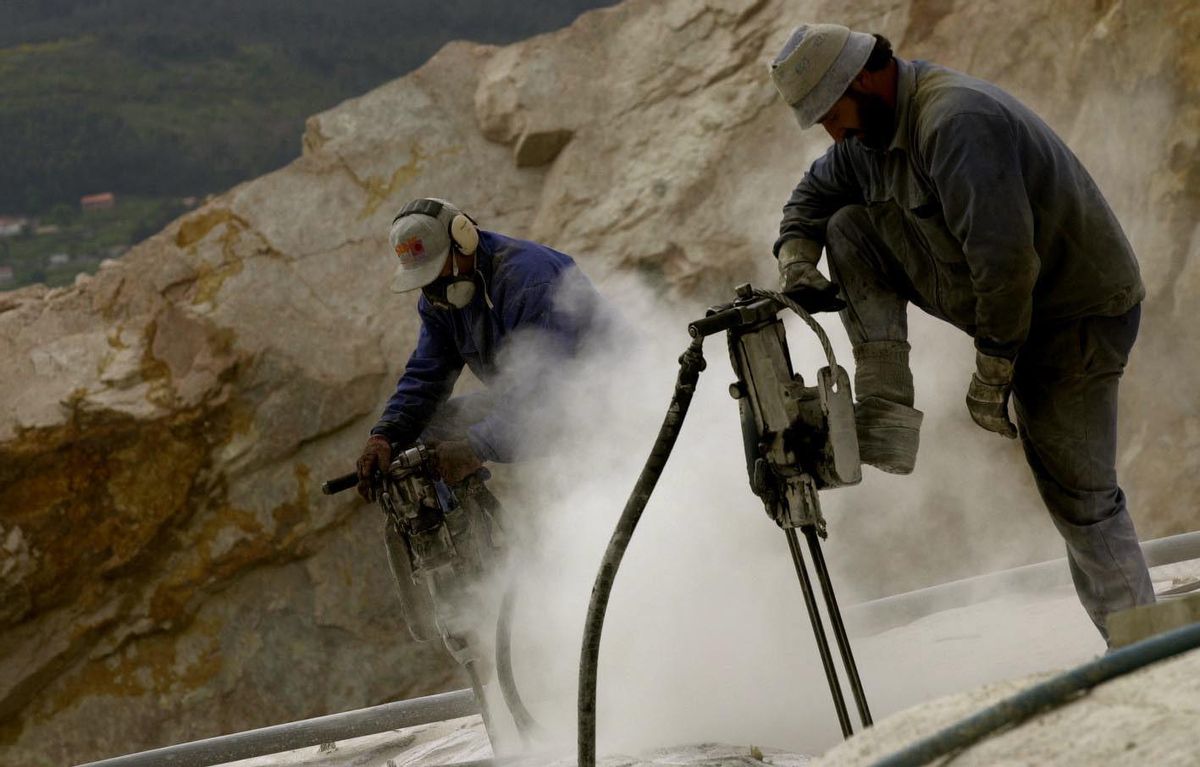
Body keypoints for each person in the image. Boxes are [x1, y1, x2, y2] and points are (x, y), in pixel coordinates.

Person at [766, 24, 1154, 641]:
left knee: (1080, 495)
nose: (833, 132)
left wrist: (994, 369)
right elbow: (811, 199)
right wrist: (795, 256)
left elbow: (1006, 262)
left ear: (863, 77)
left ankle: (1144, 649)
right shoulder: (870, 134)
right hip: (1014, 305)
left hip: (1072, 316)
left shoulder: (955, 121)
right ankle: (886, 398)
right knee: (846, 225)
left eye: (832, 114)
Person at [355, 197, 608, 500]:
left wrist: (476, 447)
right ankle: (464, 543)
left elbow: (547, 396)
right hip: (528, 398)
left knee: (470, 438)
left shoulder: (530, 279)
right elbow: (427, 375)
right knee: (423, 439)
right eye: (424, 278)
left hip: (598, 400)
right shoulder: (442, 300)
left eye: (437, 271)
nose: (432, 287)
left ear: (464, 238)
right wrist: (386, 434)